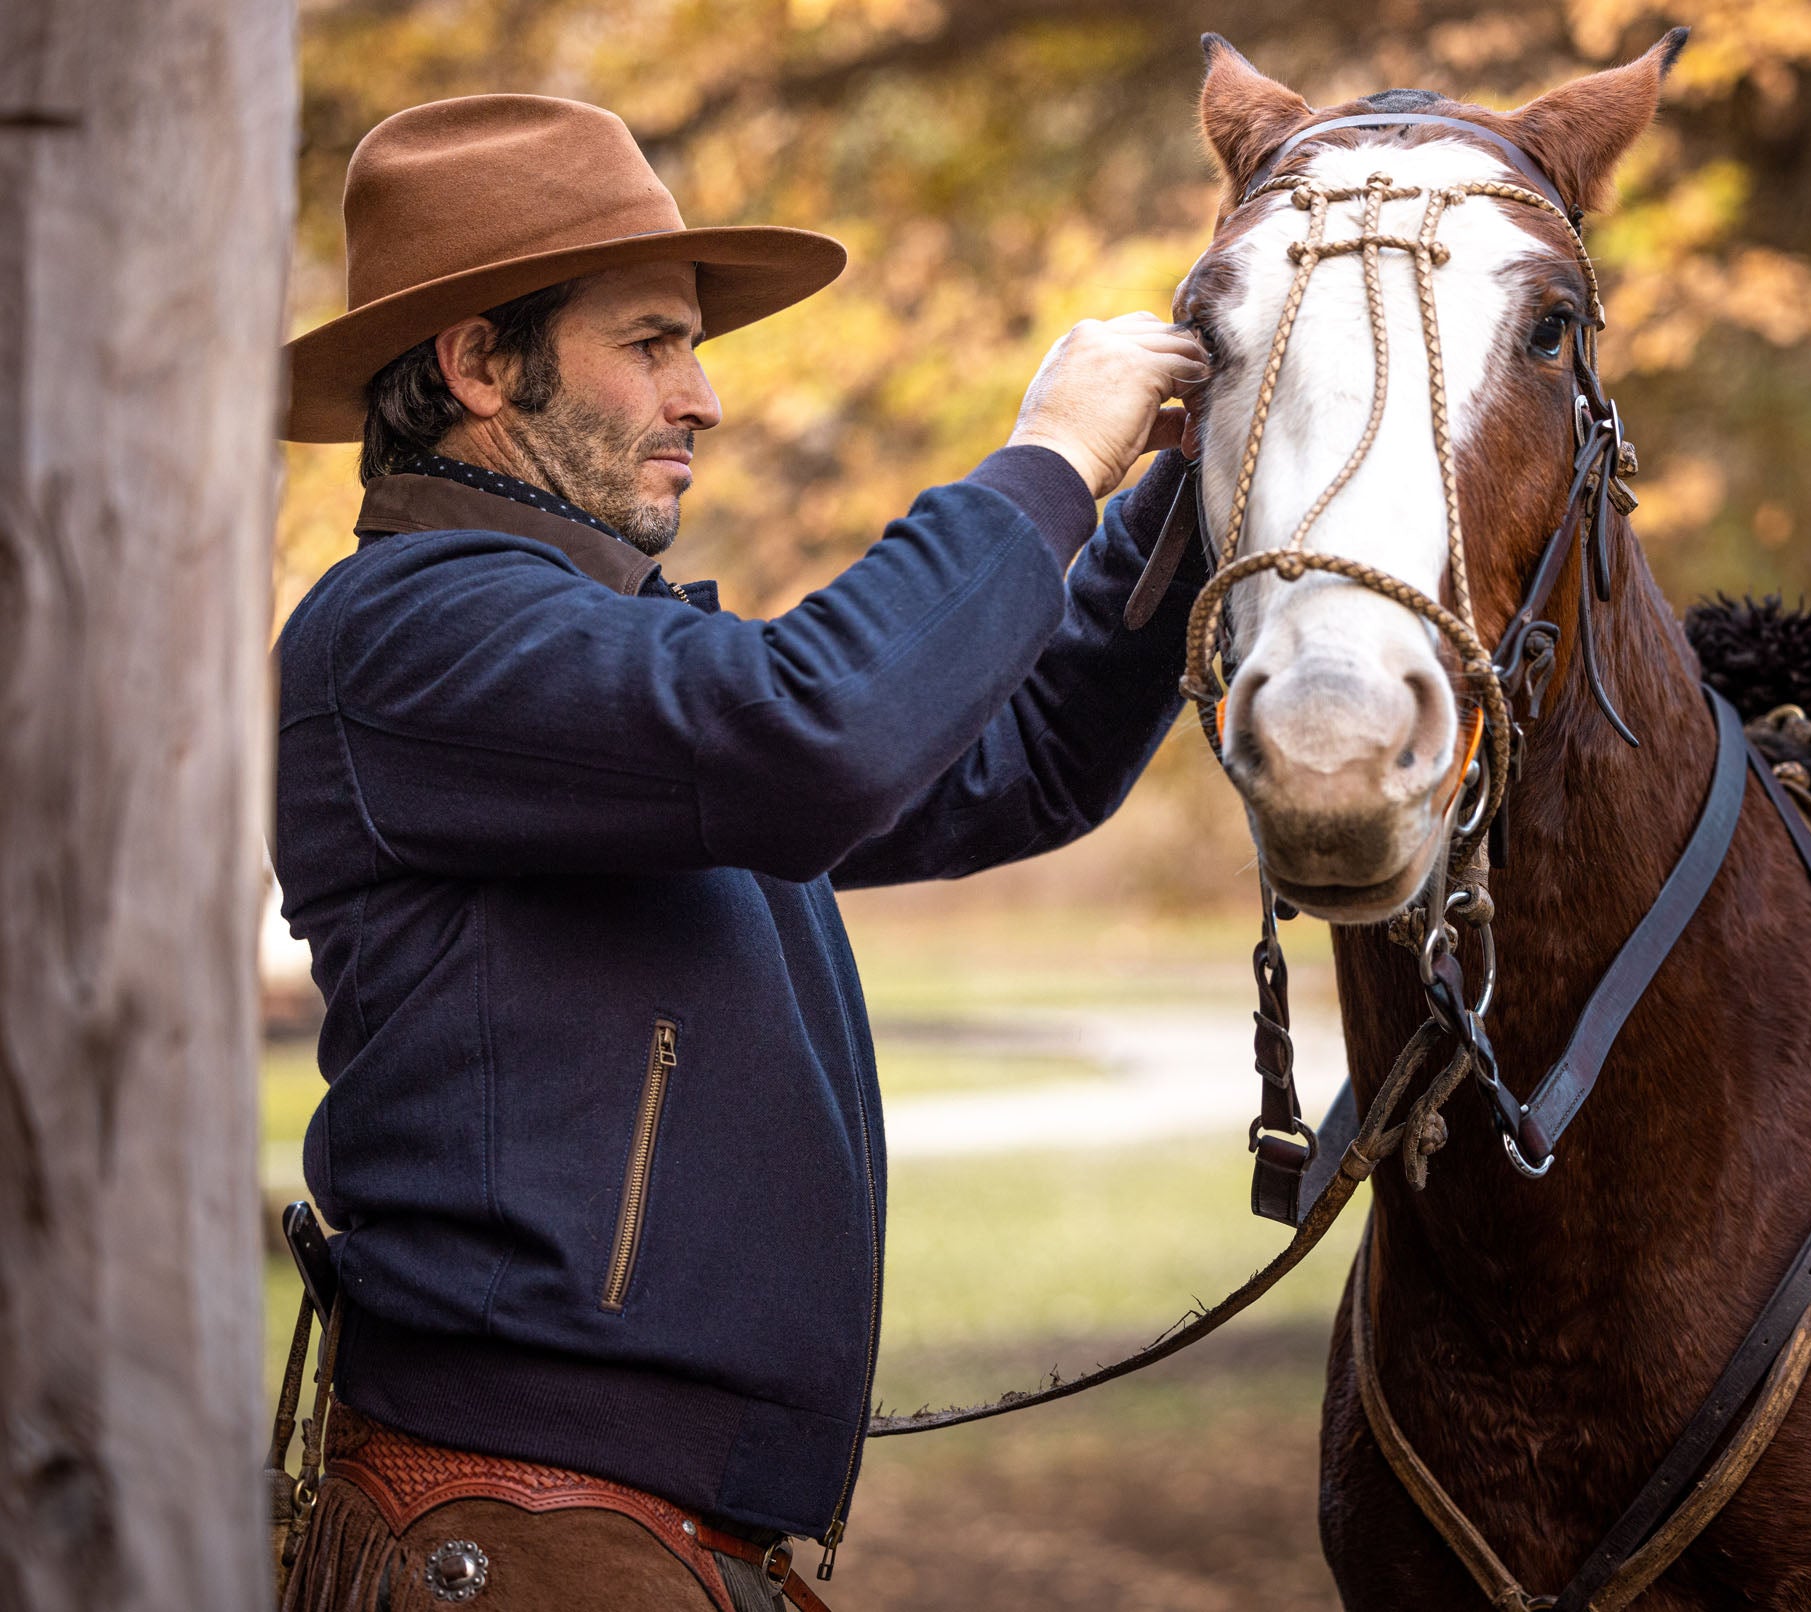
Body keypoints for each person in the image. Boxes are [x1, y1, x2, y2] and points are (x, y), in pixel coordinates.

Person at [271, 91, 1207, 1611]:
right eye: (650, 342)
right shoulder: (407, 631)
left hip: (617, 1543)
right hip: (527, 1546)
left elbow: (1019, 762)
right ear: (476, 364)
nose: (702, 398)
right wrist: (1047, 458)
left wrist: (1193, 491)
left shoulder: (601, 672)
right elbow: (818, 729)